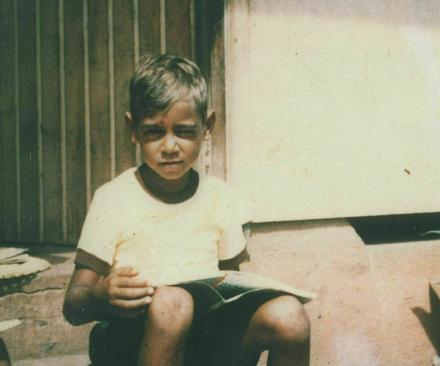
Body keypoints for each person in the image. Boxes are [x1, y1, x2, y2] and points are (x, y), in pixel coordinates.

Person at [62, 54, 311, 366]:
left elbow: (235, 283)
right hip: (129, 342)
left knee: (289, 316)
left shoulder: (221, 197)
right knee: (172, 303)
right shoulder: (113, 199)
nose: (169, 146)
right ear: (133, 129)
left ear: (208, 127)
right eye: (154, 131)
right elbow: (73, 306)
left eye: (184, 131)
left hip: (202, 340)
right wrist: (101, 295)